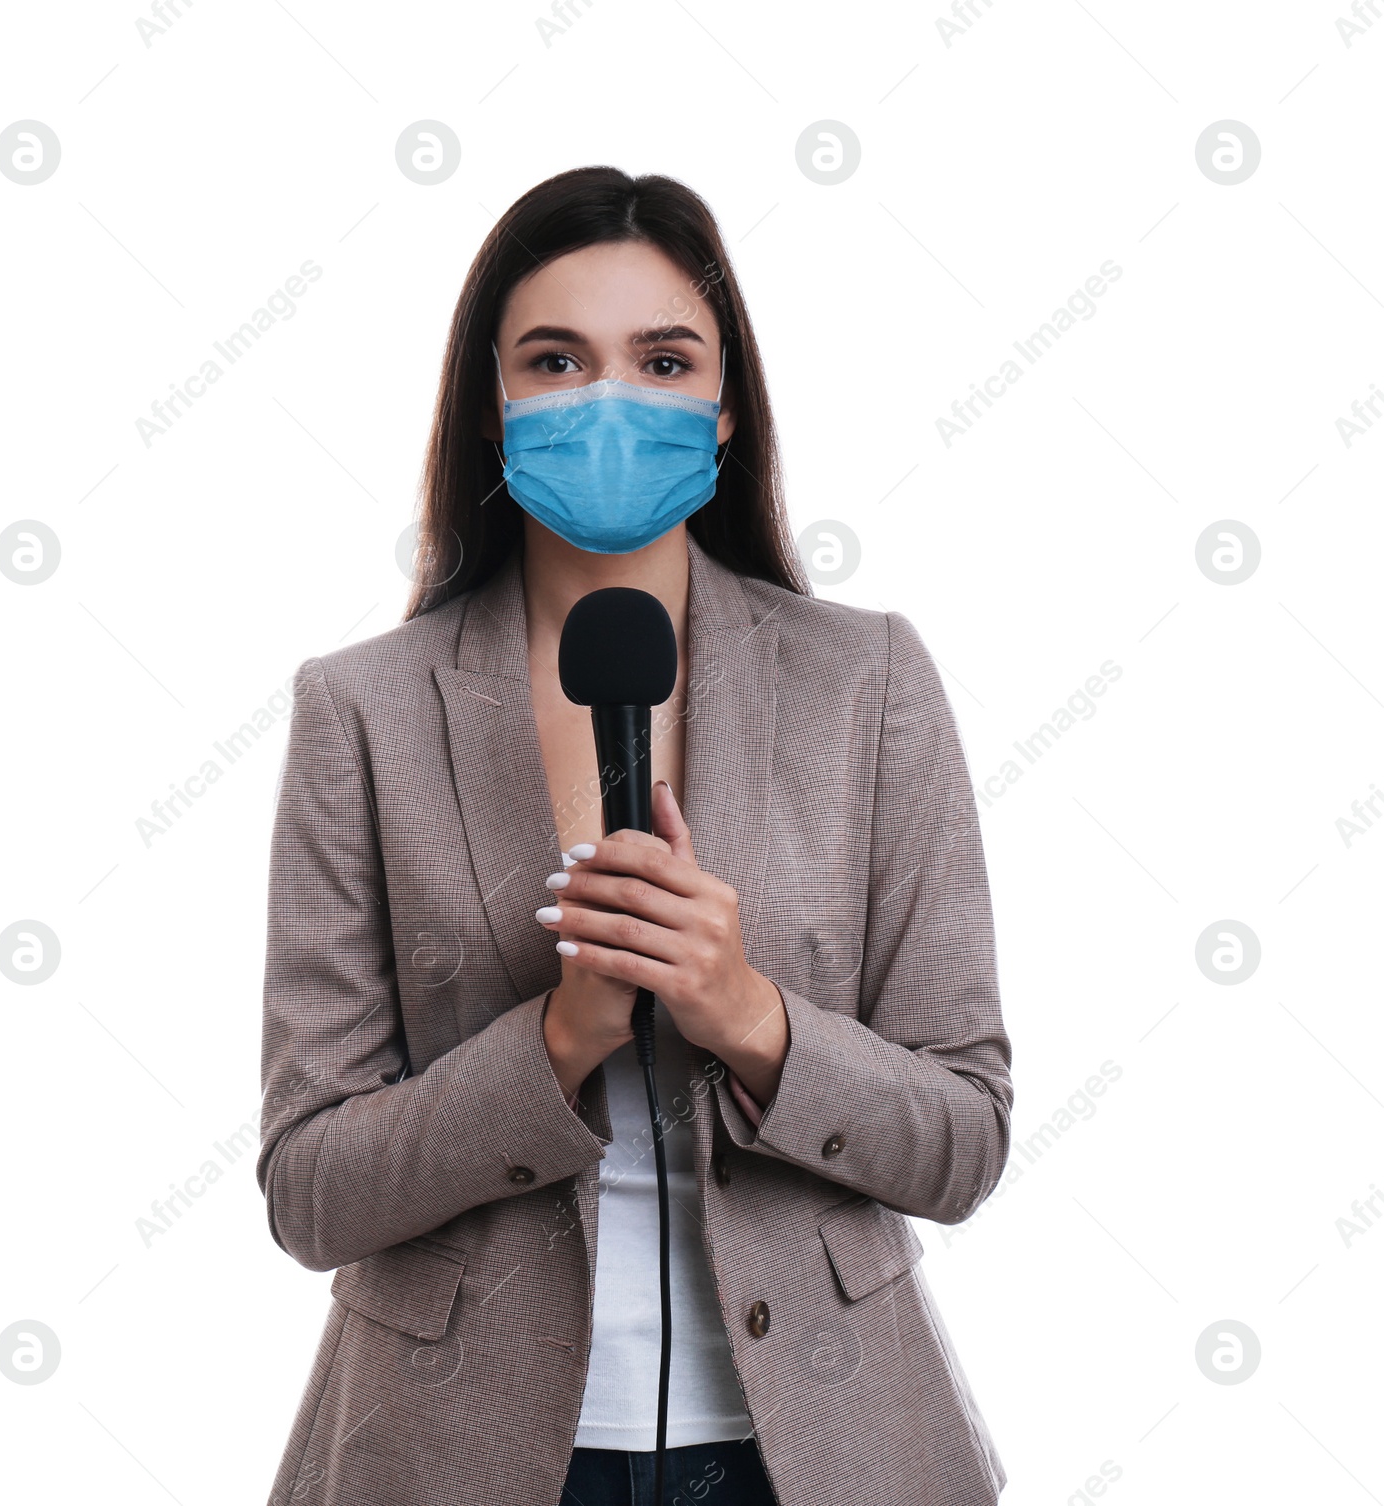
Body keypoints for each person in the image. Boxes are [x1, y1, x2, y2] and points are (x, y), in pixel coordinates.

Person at [257, 165, 1013, 1506]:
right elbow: (311, 1189)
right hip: (457, 1456)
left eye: (664, 359)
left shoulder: (869, 683)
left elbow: (963, 1137)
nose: (611, 400)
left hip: (822, 1451)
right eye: (556, 359)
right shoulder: (359, 708)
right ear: (492, 409)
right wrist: (556, 1042)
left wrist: (751, 1016)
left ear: (725, 415)